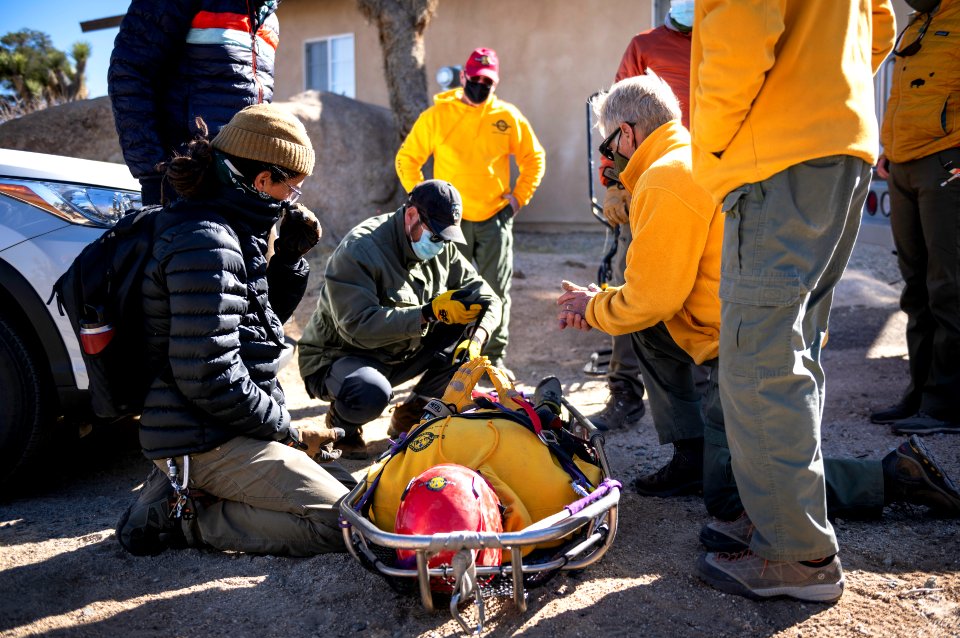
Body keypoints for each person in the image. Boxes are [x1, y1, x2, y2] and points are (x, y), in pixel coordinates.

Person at [558, 76, 960, 560]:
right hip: (734, 328)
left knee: (731, 492)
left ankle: (891, 477)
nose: (610, 160)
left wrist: (594, 307)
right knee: (642, 329)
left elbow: (651, 299)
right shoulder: (688, 156)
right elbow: (653, 288)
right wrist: (602, 300)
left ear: (627, 134)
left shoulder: (664, 177)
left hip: (745, 344)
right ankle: (694, 453)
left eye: (609, 146)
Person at [687, 0, 896, 601]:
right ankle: (780, 516)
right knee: (793, 349)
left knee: (759, 360)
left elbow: (741, 31)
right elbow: (879, 22)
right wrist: (829, 88)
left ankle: (797, 556)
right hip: (840, 143)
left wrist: (717, 149)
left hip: (779, 155)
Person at [116, 104, 352, 558]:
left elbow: (255, 328)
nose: (293, 199)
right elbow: (210, 375)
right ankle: (188, 519)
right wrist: (288, 431)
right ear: (262, 181)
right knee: (348, 522)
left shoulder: (232, 226)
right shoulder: (205, 240)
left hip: (223, 424)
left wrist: (286, 260)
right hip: (205, 436)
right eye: (293, 187)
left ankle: (184, 490)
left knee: (357, 492)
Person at [297, 180, 503, 459]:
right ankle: (343, 424)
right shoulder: (360, 249)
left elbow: (488, 298)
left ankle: (416, 410)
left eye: (446, 238)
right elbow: (356, 326)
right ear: (411, 216)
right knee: (371, 392)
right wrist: (428, 313)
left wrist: (476, 341)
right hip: (340, 357)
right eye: (436, 236)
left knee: (466, 344)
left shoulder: (442, 244)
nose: (441, 246)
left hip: (397, 354)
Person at [395, 48, 546, 379]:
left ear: (496, 82)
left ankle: (493, 357)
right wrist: (422, 202)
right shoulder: (438, 116)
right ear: (463, 77)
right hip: (449, 224)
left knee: (495, 290)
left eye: (486, 81)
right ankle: (446, 357)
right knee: (447, 290)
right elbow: (408, 158)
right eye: (474, 79)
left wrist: (519, 198)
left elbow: (534, 157)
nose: (479, 85)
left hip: (495, 218)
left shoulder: (508, 116)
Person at [589, 0, 697, 435]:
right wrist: (615, 181)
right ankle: (625, 391)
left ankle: (707, 401)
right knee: (631, 275)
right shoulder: (646, 46)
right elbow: (619, 121)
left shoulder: (727, 41)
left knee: (685, 287)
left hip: (709, 176)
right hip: (648, 180)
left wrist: (592, 307)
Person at [871, 0, 960, 435]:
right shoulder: (917, 24)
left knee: (949, 285)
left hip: (947, 162)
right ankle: (921, 391)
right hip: (903, 163)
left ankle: (946, 403)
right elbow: (903, 93)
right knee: (916, 285)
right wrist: (888, 147)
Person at [108, 0, 281, 205]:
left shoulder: (269, 17)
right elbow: (129, 72)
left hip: (245, 182)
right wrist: (155, 170)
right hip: (186, 180)